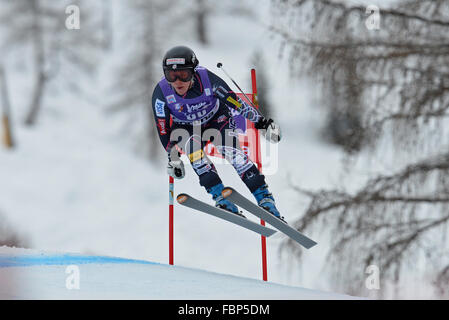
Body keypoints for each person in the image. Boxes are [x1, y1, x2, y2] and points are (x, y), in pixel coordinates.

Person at [151, 45, 284, 221]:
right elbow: (163, 129)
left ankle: (265, 199)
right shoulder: (161, 93)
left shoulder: (208, 80)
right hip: (186, 127)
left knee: (234, 154)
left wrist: (261, 123)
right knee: (194, 153)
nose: (177, 81)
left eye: (183, 75)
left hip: (216, 119)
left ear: (193, 71)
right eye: (171, 75)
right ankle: (220, 197)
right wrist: (173, 158)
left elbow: (236, 103)